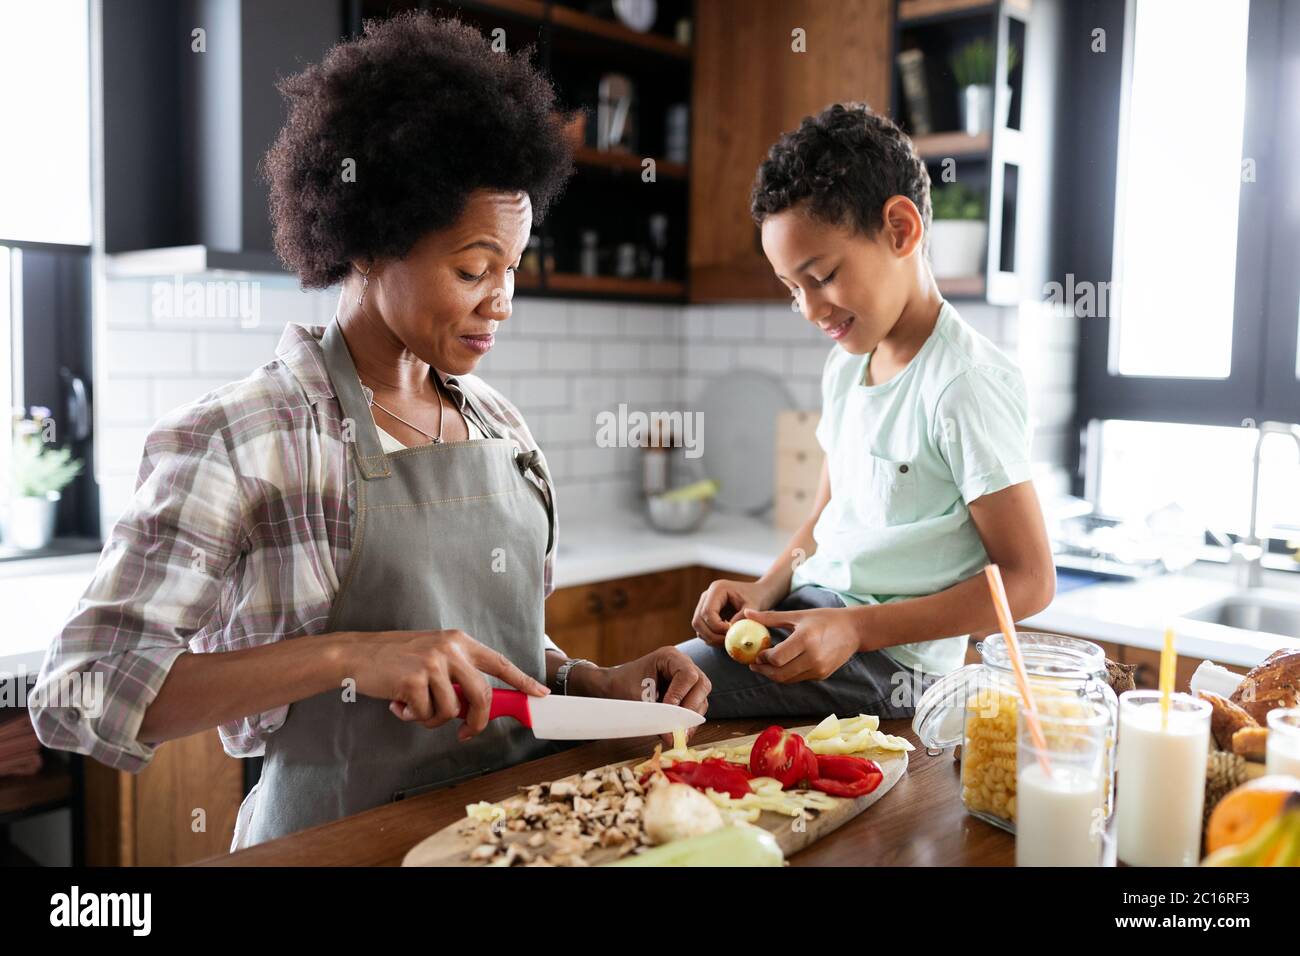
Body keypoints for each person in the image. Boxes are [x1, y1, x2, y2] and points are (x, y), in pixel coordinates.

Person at [29, 13, 709, 851]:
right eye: (472, 269)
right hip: (335, 847)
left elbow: (494, 646)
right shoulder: (244, 437)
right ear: (369, 241)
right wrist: (348, 657)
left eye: (511, 271)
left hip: (518, 839)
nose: (501, 303)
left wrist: (589, 680)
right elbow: (79, 693)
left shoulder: (498, 422)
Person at [681, 103, 1055, 720]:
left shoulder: (965, 383)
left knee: (661, 691)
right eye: (791, 288)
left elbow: (1030, 579)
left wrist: (856, 628)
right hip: (818, 612)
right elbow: (828, 515)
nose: (808, 308)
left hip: (892, 664)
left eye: (822, 275)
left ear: (901, 230)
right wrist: (763, 587)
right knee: (663, 684)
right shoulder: (848, 363)